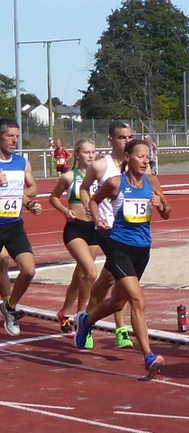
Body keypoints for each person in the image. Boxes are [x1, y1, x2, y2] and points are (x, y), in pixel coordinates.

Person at [75, 139, 171, 377]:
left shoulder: (152, 182)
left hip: (142, 250)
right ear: (128, 158)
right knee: (137, 300)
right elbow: (94, 201)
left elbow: (168, 213)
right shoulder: (116, 183)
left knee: (118, 302)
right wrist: (97, 219)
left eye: (147, 156)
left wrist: (161, 206)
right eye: (140, 156)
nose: (145, 161)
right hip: (119, 247)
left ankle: (86, 321)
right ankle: (149, 356)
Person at [79, 121, 134, 349]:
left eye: (130, 137)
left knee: (109, 280)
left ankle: (86, 320)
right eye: (121, 137)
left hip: (130, 230)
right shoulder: (101, 166)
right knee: (124, 279)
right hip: (107, 229)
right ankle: (121, 330)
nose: (127, 141)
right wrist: (92, 212)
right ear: (110, 140)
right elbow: (84, 188)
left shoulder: (137, 165)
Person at [49, 139, 99, 333]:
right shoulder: (69, 177)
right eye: (87, 152)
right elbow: (53, 197)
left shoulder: (100, 176)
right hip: (75, 229)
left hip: (94, 229)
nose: (91, 155)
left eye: (93, 152)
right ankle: (82, 316)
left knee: (80, 276)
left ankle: (64, 312)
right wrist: (65, 211)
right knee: (91, 273)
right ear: (78, 154)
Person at [0, 118, 42, 336]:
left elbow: (24, 191)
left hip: (14, 225)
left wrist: (29, 203)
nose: (14, 140)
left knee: (29, 270)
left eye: (17, 136)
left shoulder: (21, 162)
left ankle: (9, 307)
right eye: (10, 136)